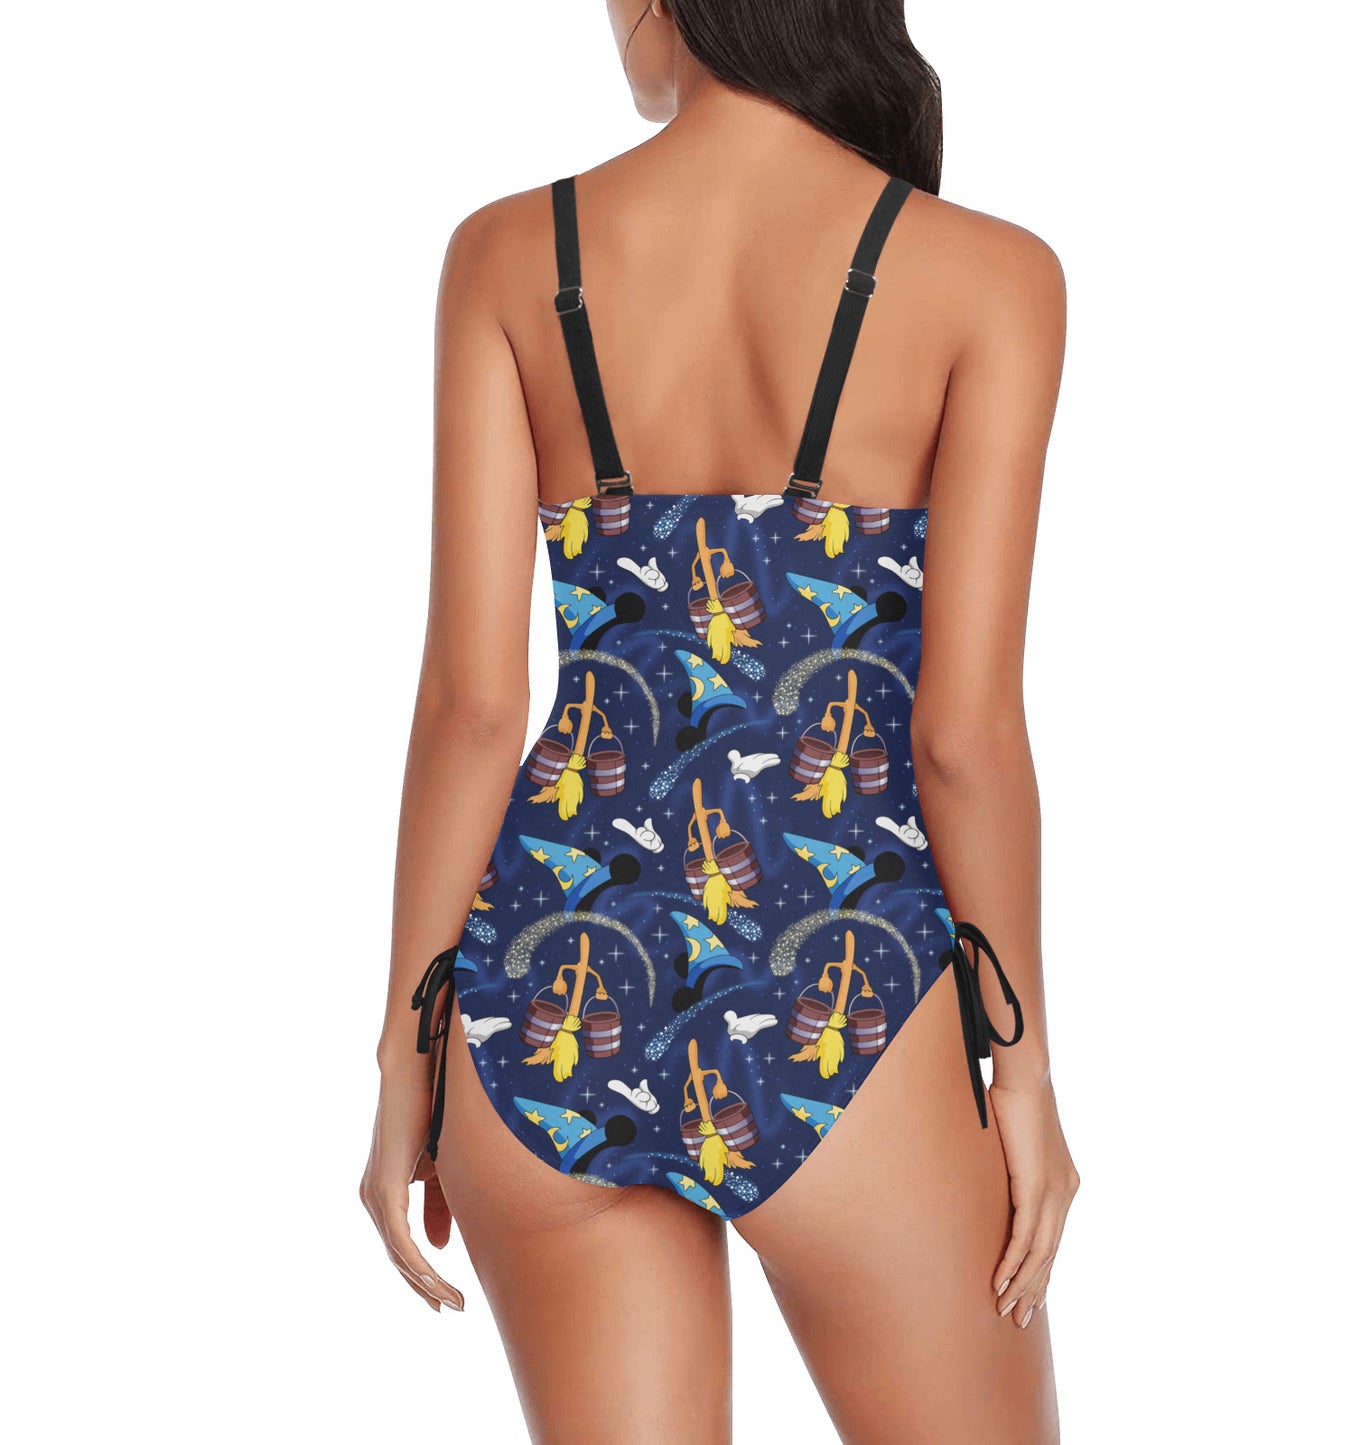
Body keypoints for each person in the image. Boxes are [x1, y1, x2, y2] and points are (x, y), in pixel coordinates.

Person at [360, 3, 1079, 1439]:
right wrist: (1021, 1065)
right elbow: (962, 739)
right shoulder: (988, 276)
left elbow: (474, 708)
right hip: (844, 983)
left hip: (539, 984)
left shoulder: (508, 255)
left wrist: (406, 1051)